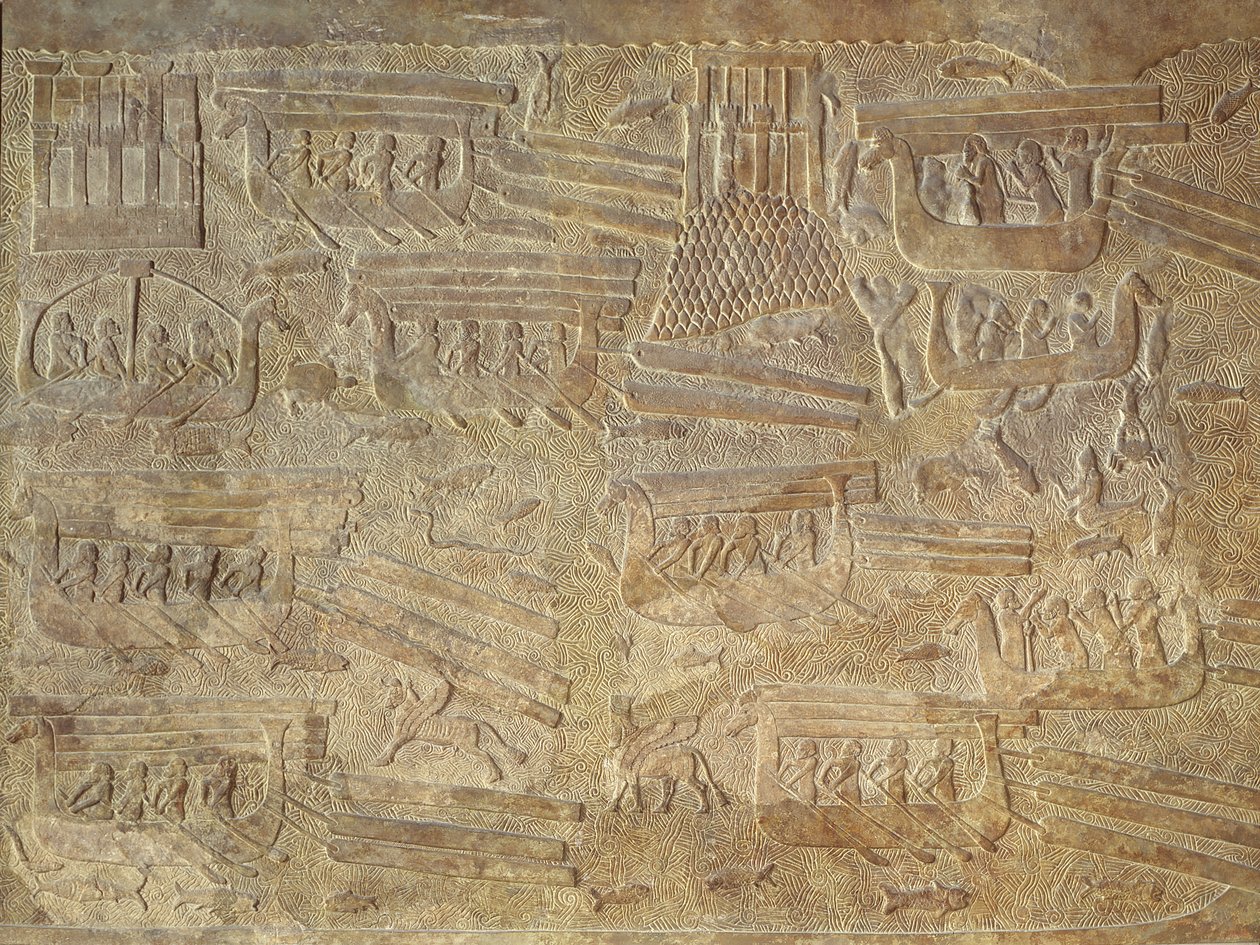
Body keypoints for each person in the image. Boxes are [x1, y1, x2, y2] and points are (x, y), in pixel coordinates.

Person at [1047, 126, 1112, 217]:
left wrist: (1051, 157)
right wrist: (1109, 134)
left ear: (1078, 139)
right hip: (1086, 199)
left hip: (1075, 201)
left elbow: (1061, 170)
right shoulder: (1088, 155)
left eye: (1070, 138)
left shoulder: (1072, 158)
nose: (1068, 141)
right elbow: (1101, 149)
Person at [1007, 139, 1064, 224]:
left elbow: (1025, 187)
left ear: (1029, 158)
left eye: (1019, 155)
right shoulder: (1031, 169)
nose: (1016, 158)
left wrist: (1013, 171)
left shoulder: (1033, 169)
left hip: (1050, 211)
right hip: (1049, 209)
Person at [1074, 588, 1133, 669]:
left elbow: (1093, 629)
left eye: (1084, 600)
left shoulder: (1099, 612)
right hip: (1113, 647)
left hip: (1118, 647)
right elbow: (1092, 625)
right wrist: (1079, 616)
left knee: (1118, 671)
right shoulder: (1095, 612)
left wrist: (1077, 618)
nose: (1081, 602)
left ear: (1093, 602)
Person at [955, 134, 1004, 225]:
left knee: (991, 226)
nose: (964, 152)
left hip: (990, 199)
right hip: (982, 198)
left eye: (968, 150)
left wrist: (965, 175)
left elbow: (978, 182)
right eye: (964, 151)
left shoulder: (983, 161)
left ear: (975, 149)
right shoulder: (974, 163)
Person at [1123, 578, 1167, 667]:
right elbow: (1169, 611)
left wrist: (1114, 608)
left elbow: (1123, 627)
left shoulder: (1135, 609)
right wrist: (1177, 595)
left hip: (1149, 650)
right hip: (1155, 649)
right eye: (1149, 589)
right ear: (1142, 592)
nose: (1152, 590)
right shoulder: (1150, 607)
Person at [1039, 595, 1090, 669]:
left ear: (1056, 609)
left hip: (1078, 659)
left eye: (1047, 609)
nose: (1044, 611)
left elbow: (1047, 634)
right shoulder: (1058, 621)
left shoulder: (1062, 621)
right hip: (1073, 656)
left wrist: (1037, 621)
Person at [818, 739, 863, 805]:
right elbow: (830, 762)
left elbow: (843, 776)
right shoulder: (851, 762)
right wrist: (822, 778)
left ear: (851, 750)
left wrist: (830, 784)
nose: (842, 749)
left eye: (845, 747)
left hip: (850, 793)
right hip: (846, 792)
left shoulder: (855, 763)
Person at [47, 311, 87, 379]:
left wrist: (82, 358)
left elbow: (81, 342)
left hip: (69, 370)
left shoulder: (67, 336)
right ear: (60, 323)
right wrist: (75, 367)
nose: (71, 323)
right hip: (56, 373)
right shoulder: (54, 337)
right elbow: (64, 355)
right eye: (68, 321)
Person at [778, 739, 819, 804]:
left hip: (808, 791)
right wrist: (778, 776)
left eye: (801, 750)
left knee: (809, 807)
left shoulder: (812, 760)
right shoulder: (802, 761)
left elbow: (803, 772)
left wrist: (790, 782)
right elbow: (787, 762)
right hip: (800, 790)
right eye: (797, 749)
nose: (797, 752)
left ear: (809, 752)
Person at [868, 739, 909, 804]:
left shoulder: (903, 760)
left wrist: (880, 780)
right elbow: (879, 761)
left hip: (898, 791)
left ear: (898, 749)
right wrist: (869, 773)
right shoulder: (890, 760)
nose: (887, 749)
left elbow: (893, 771)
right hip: (889, 790)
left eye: (890, 747)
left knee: (898, 805)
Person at [150, 759, 189, 824]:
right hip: (168, 810)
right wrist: (154, 801)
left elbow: (171, 796)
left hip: (176, 812)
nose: (168, 769)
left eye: (171, 767)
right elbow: (158, 785)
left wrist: (162, 807)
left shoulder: (181, 782)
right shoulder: (171, 781)